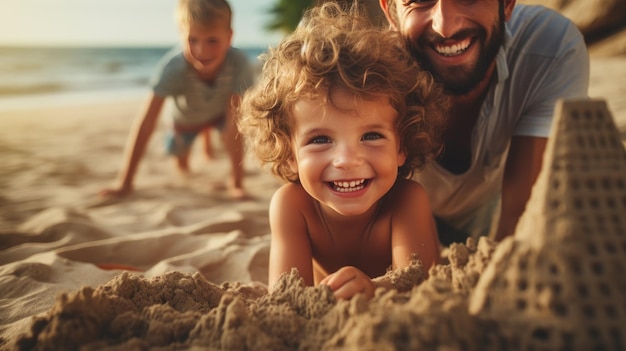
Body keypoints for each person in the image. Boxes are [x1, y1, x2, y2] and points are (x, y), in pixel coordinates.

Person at [238, 3, 448, 300]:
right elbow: (285, 298)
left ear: (402, 146)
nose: (347, 160)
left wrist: (375, 290)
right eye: (321, 140)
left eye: (371, 136)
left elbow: (420, 285)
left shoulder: (407, 200)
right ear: (289, 154)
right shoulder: (292, 206)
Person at [379, 0, 590, 244]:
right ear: (391, 11)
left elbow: (521, 219)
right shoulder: (370, 78)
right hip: (398, 226)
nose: (445, 27)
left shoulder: (548, 48)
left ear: (508, 4)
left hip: (490, 213)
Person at [100, 0, 254, 199]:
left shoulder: (239, 62)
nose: (202, 51)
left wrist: (236, 183)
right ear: (181, 35)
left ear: (229, 37)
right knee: (181, 164)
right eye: (192, 40)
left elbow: (234, 120)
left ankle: (209, 140)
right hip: (185, 119)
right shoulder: (173, 68)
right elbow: (146, 122)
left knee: (231, 129)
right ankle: (200, 136)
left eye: (212, 40)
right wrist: (125, 182)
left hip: (218, 113)